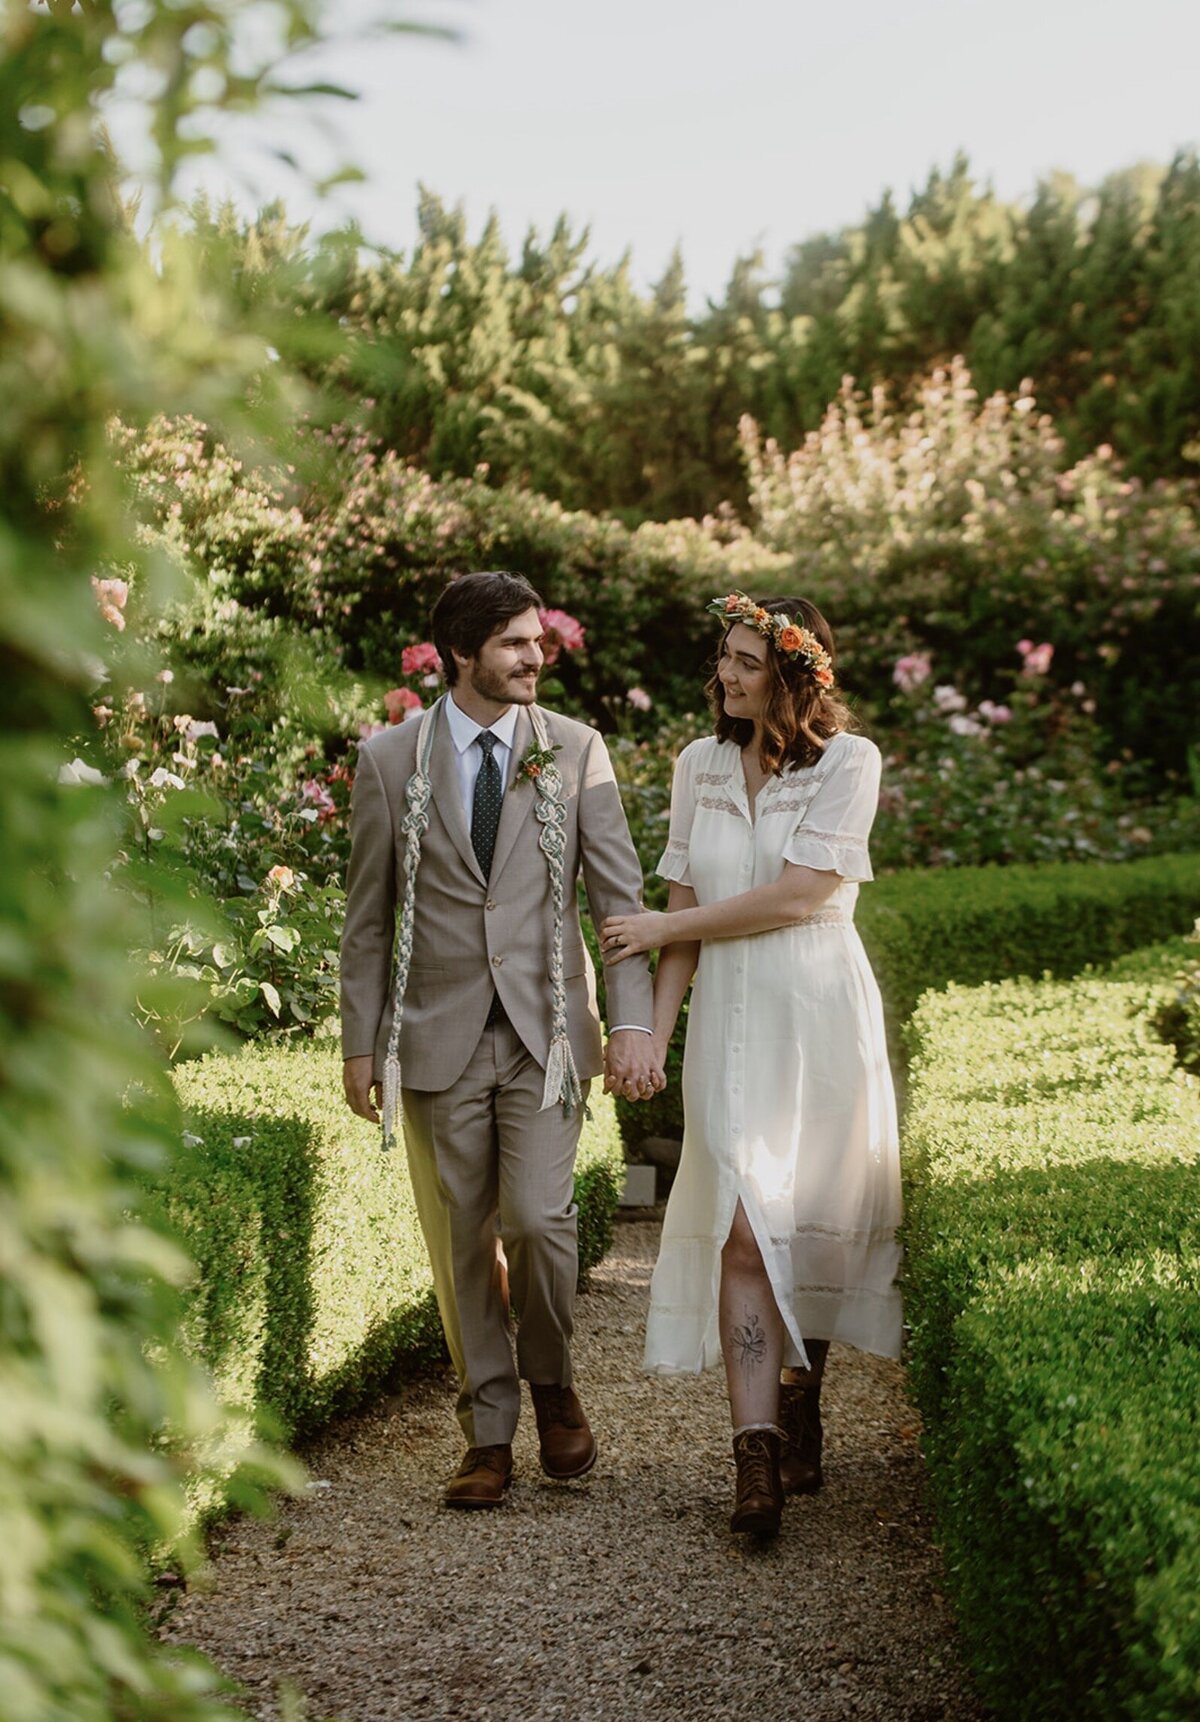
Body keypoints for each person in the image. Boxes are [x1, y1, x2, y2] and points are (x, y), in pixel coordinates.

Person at [341, 572, 663, 1510]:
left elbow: (619, 906)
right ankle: (488, 1430)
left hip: (546, 1035)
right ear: (463, 654)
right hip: (433, 1036)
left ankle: (553, 1380)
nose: (535, 658)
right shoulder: (389, 759)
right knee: (461, 1242)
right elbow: (368, 919)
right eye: (516, 644)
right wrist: (359, 1045)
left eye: (536, 641)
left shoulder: (575, 751)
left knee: (537, 1222)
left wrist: (633, 1021)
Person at [601, 591, 902, 1539]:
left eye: (743, 660)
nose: (723, 675)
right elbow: (684, 916)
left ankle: (803, 1394)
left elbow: (802, 894)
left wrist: (664, 924)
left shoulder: (851, 763)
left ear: (794, 672)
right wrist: (651, 1028)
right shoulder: (700, 765)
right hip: (730, 1024)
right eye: (723, 657)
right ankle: (755, 1456)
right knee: (741, 1227)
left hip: (818, 1012)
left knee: (809, 1225)